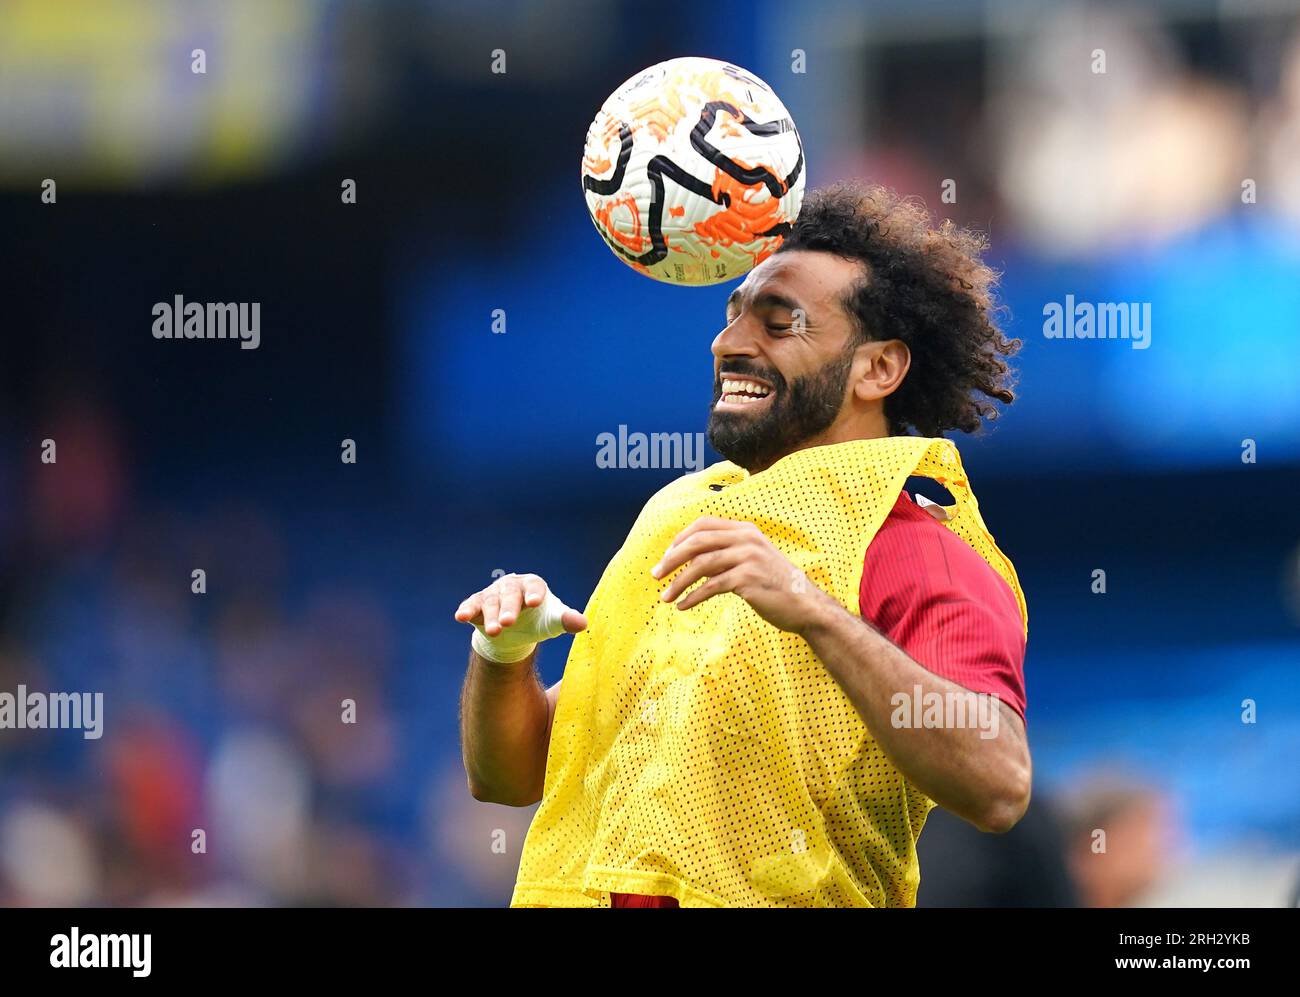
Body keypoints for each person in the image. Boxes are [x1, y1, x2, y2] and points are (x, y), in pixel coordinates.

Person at [457, 182, 1030, 908]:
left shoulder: (920, 548)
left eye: (778, 322)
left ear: (878, 368)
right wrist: (503, 654)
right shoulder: (685, 515)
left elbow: (998, 780)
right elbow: (510, 776)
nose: (728, 344)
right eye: (732, 317)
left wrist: (812, 610)